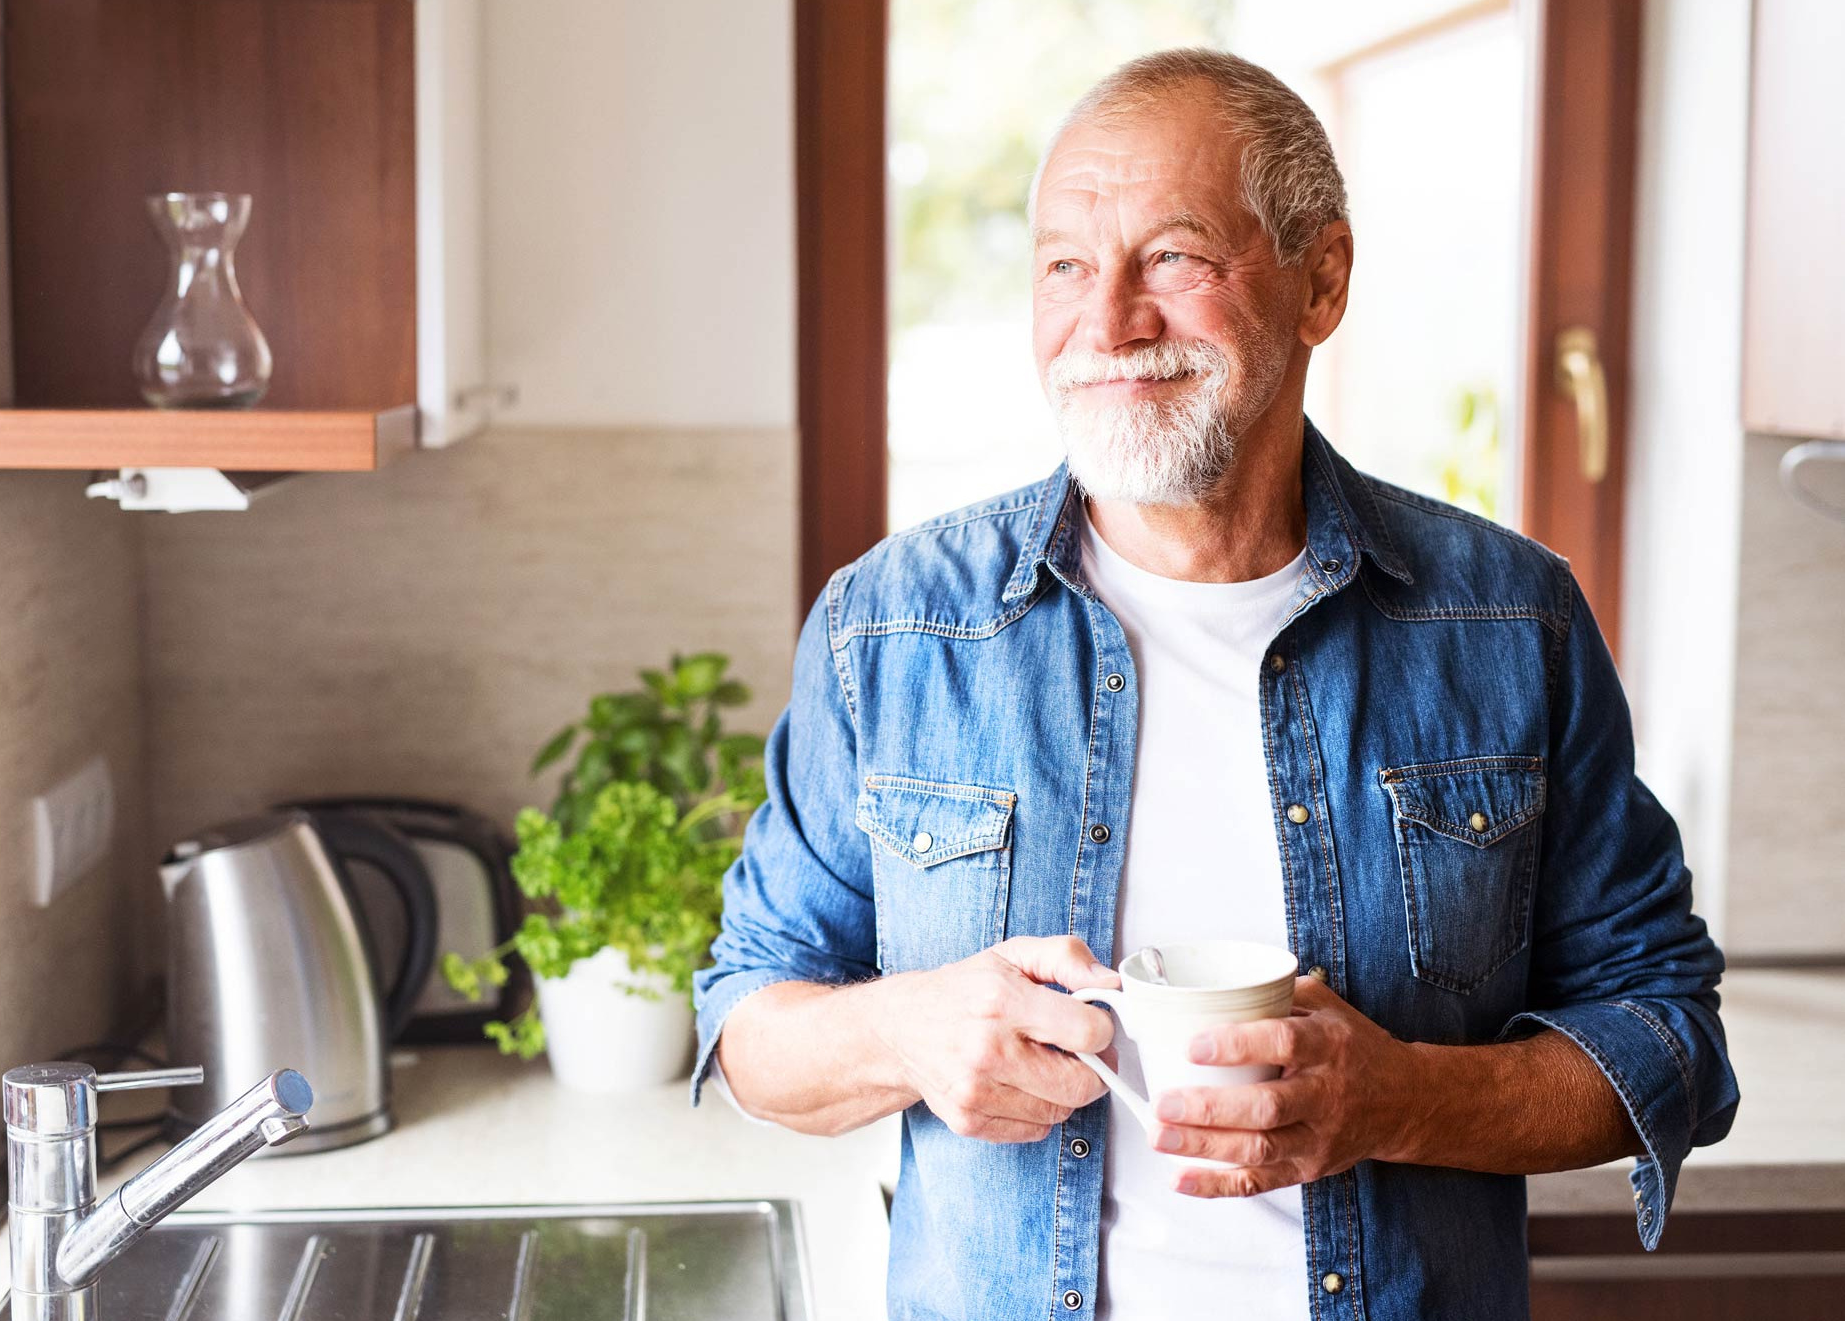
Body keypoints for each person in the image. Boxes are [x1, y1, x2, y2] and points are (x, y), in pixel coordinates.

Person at [691, 47, 1737, 1321]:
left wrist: (1403, 1097)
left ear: (1322, 280)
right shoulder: (894, 625)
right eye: (1066, 266)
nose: (1108, 323)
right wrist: (898, 1033)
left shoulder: (1509, 622)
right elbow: (750, 1022)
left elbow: (1669, 1036)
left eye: (1173, 258)